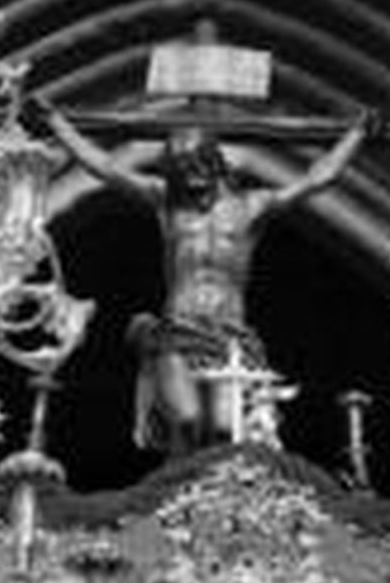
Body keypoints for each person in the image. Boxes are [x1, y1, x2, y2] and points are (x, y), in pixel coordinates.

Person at [43, 105, 369, 453]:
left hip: (230, 337)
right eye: (181, 171)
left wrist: (357, 134)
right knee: (185, 420)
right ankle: (176, 494)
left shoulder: (251, 206)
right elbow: (106, 168)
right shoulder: (164, 202)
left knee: (225, 431)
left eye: (197, 167)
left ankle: (213, 500)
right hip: (178, 333)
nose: (190, 178)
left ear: (214, 162)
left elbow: (317, 179)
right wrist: (56, 123)